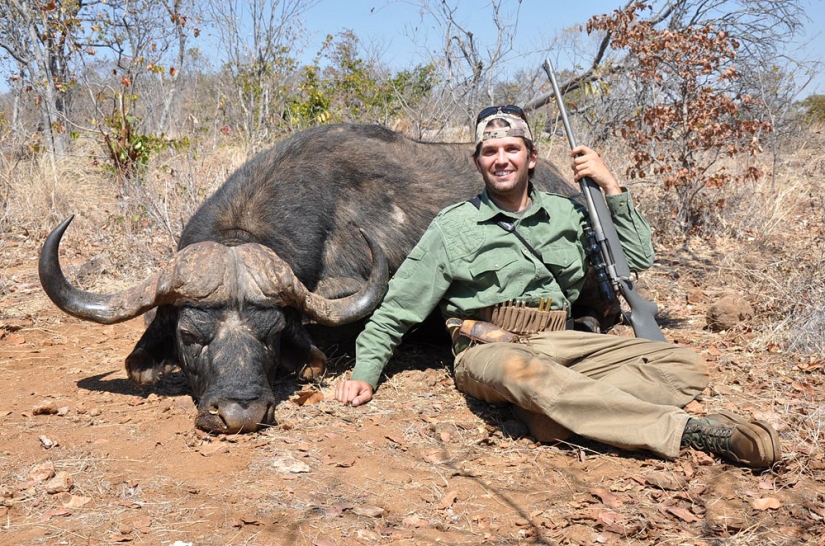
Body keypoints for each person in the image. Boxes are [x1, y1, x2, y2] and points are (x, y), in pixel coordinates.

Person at [335, 105, 781, 468]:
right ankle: (690, 431)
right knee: (523, 373)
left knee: (683, 365)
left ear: (531, 158)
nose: (501, 159)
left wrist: (611, 186)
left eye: (512, 148)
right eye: (490, 151)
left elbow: (638, 259)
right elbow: (397, 308)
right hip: (489, 349)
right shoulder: (452, 226)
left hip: (561, 340)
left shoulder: (570, 213)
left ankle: (552, 411)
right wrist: (364, 373)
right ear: (477, 163)